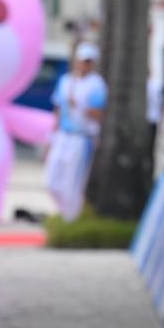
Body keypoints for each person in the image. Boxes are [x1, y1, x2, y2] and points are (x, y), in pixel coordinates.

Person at [45, 42, 108, 221]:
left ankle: (71, 218)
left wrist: (80, 106)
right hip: (62, 136)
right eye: (82, 60)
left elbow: (99, 114)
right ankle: (64, 215)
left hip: (82, 137)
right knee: (52, 181)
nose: (84, 64)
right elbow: (58, 109)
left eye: (89, 61)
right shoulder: (66, 81)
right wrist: (51, 136)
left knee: (72, 184)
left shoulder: (97, 85)